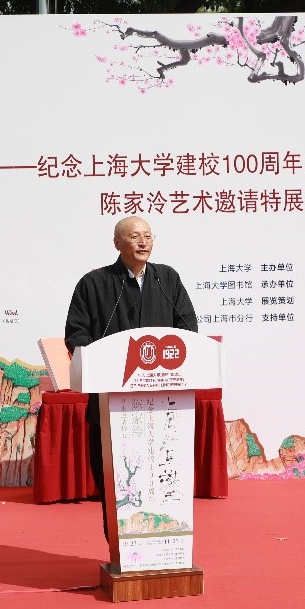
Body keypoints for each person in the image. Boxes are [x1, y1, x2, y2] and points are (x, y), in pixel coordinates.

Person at [64, 215, 198, 541]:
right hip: (111, 402)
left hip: (160, 404)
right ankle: (122, 550)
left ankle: (164, 545)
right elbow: (76, 334)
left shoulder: (167, 279)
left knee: (159, 475)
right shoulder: (93, 284)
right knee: (117, 480)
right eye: (135, 236)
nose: (143, 242)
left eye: (148, 236)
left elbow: (188, 328)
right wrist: (102, 361)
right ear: (117, 243)